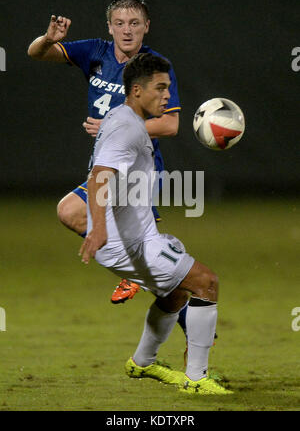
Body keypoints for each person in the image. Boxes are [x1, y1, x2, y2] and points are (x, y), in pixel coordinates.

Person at [79, 52, 232, 395]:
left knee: (176, 293)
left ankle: (143, 363)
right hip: (125, 244)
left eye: (168, 87)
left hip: (137, 236)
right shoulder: (126, 127)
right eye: (161, 88)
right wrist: (100, 230)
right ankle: (196, 380)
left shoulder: (123, 118)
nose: (167, 95)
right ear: (136, 90)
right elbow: (99, 177)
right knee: (206, 282)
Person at [27, 0, 183, 307]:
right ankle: (186, 316)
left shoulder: (155, 68)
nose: (127, 30)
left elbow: (170, 125)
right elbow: (36, 54)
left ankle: (141, 273)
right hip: (107, 166)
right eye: (120, 23)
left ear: (146, 27)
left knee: (69, 210)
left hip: (138, 170)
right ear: (109, 27)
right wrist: (47, 39)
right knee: (156, 270)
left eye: (135, 23)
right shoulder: (95, 53)